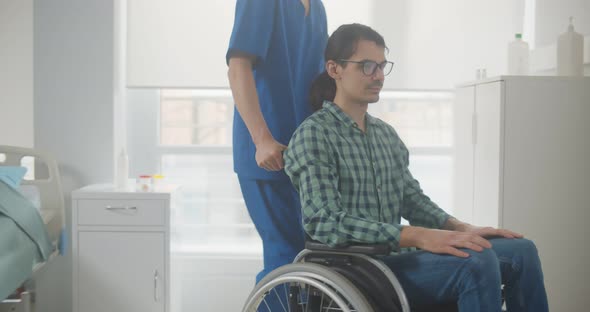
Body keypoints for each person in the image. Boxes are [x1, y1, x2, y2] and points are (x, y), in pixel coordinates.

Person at [284, 23, 549, 311]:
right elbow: (325, 222)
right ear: (335, 69)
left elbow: (413, 202)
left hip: (399, 261)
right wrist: (418, 236)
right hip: (359, 270)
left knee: (523, 251)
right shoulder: (314, 135)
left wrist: (463, 228)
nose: (379, 76)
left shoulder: (385, 135)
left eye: (383, 66)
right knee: (476, 262)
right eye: (367, 66)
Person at [226, 0, 328, 285]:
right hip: (268, 154)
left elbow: (322, 81)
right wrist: (262, 140)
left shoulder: (317, 8)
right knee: (286, 259)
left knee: (310, 259)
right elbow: (238, 68)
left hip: (306, 155)